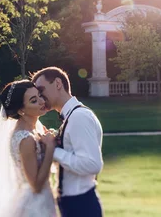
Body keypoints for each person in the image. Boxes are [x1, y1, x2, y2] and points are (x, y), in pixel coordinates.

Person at [0, 80, 58, 217]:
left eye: (39, 96)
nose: (42, 101)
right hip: (34, 206)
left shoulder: (34, 130)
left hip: (43, 200)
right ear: (21, 110)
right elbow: (35, 186)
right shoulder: (25, 139)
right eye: (33, 100)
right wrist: (50, 148)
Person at [32, 67, 104, 217]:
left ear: (58, 83)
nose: (40, 97)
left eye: (41, 90)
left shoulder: (79, 117)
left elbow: (92, 164)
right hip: (73, 203)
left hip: (81, 204)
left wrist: (53, 150)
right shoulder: (70, 117)